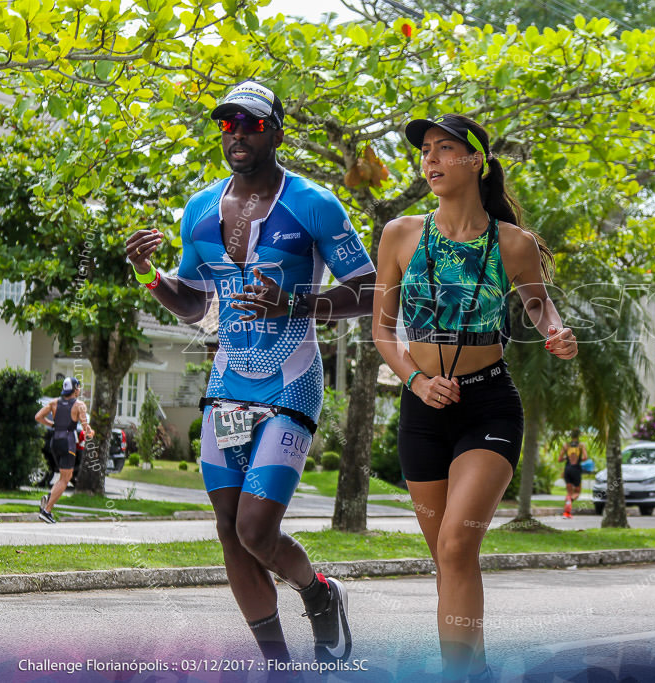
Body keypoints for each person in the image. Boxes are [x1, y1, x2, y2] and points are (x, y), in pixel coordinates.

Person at [124, 81, 376, 667]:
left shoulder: (313, 203)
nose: (237, 134)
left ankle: (319, 593)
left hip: (290, 380)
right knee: (228, 528)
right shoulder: (201, 209)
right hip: (228, 384)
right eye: (227, 124)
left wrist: (295, 305)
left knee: (258, 529)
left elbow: (367, 291)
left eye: (251, 124)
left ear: (276, 131)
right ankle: (278, 665)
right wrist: (148, 274)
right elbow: (193, 304)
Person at [372, 113, 577, 681]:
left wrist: (553, 330)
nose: (431, 160)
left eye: (445, 149)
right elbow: (383, 331)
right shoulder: (400, 234)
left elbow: (538, 304)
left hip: (488, 406)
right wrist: (415, 379)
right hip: (421, 409)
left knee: (458, 546)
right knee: (445, 556)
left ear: (475, 161)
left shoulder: (513, 244)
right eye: (426, 151)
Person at [34, 377, 94, 523]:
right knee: (65, 479)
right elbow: (85, 427)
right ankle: (47, 510)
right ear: (74, 389)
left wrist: (53, 424)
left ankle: (49, 500)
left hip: (55, 441)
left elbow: (38, 417)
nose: (79, 390)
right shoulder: (79, 405)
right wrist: (90, 432)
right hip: (68, 442)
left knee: (63, 477)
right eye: (78, 387)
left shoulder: (54, 403)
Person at [558, 429, 589, 518]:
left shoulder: (566, 445)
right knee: (577, 492)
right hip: (576, 469)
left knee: (569, 492)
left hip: (567, 469)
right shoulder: (581, 445)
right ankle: (570, 500)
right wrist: (579, 460)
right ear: (578, 436)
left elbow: (559, 459)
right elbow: (585, 457)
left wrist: (566, 458)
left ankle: (567, 513)